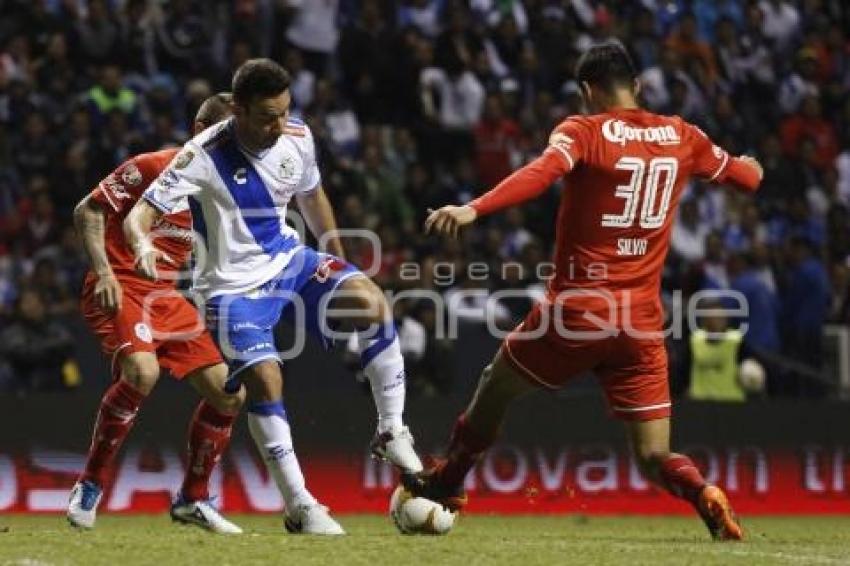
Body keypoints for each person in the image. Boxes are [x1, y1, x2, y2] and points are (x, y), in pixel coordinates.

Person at [404, 43, 763, 541]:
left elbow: (542, 172)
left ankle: (448, 482)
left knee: (495, 385)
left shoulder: (584, 130)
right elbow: (747, 179)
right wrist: (750, 163)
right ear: (636, 85)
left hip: (577, 312)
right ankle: (703, 491)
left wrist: (474, 209)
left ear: (588, 91)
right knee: (655, 456)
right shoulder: (685, 135)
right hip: (641, 324)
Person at [124, 59, 422, 535]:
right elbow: (139, 214)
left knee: (372, 302)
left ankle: (392, 430)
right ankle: (300, 505)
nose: (278, 125)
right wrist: (141, 244)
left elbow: (313, 197)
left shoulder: (297, 137)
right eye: (266, 116)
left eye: (284, 112)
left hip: (288, 260)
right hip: (229, 287)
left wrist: (340, 263)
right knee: (266, 379)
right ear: (237, 110)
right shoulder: (200, 155)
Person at [67, 93, 245, 534]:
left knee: (230, 394)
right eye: (227, 138)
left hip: (165, 296)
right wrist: (104, 271)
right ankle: (89, 484)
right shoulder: (151, 166)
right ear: (201, 131)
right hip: (120, 283)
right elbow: (87, 209)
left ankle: (193, 499)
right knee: (142, 373)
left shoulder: (219, 193)